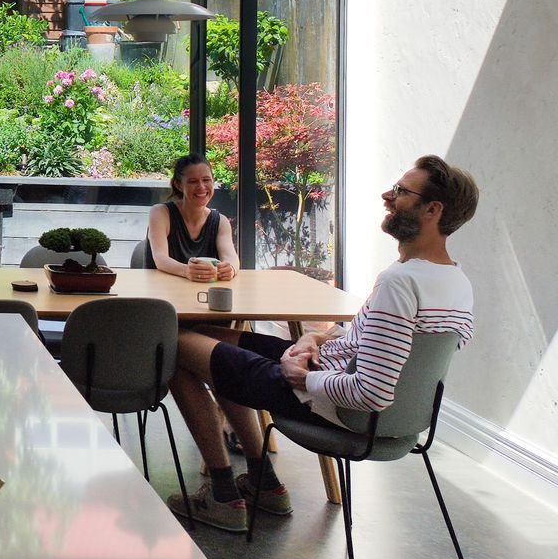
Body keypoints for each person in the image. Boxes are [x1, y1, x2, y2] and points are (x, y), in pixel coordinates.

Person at [164, 154, 479, 532]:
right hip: (337, 382)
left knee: (175, 342)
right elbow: (376, 343)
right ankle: (264, 484)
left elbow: (372, 394)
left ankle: (223, 495)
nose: (386, 196)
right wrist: (318, 337)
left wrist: (300, 377)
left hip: (329, 403)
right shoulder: (455, 282)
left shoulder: (402, 282)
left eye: (400, 191)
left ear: (432, 209)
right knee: (211, 338)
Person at [146, 154, 239, 282]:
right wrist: (186, 270)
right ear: (178, 185)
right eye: (193, 181)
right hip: (163, 293)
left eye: (206, 180)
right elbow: (160, 258)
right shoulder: (160, 213)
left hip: (204, 295)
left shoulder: (220, 221)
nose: (201, 187)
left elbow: (231, 258)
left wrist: (230, 269)